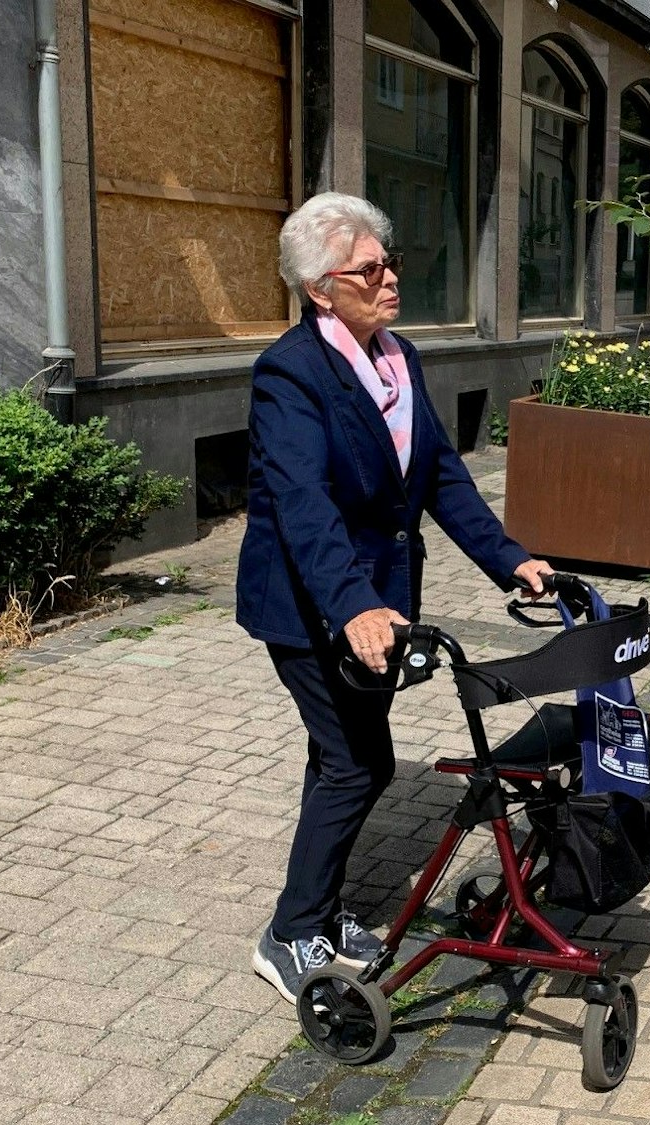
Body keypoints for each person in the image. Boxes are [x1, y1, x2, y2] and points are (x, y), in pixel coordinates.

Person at [236, 192, 556, 1003]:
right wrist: (352, 605)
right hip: (314, 605)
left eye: (390, 262)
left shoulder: (399, 356)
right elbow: (302, 503)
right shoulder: (290, 373)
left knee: (338, 756)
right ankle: (290, 932)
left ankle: (322, 903)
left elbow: (442, 475)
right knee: (357, 763)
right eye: (368, 269)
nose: (389, 279)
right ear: (320, 289)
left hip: (376, 604)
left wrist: (509, 559)